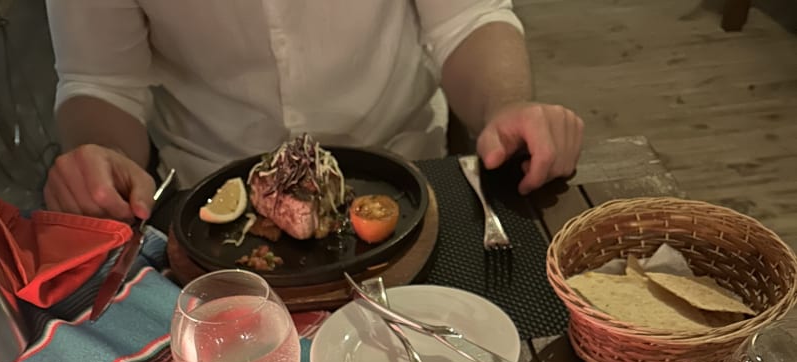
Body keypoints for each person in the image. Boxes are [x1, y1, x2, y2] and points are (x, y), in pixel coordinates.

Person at [43, 1, 584, 224]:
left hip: (402, 181)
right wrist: (104, 157)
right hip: (209, 203)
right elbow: (103, 81)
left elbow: (466, 18)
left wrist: (505, 105)